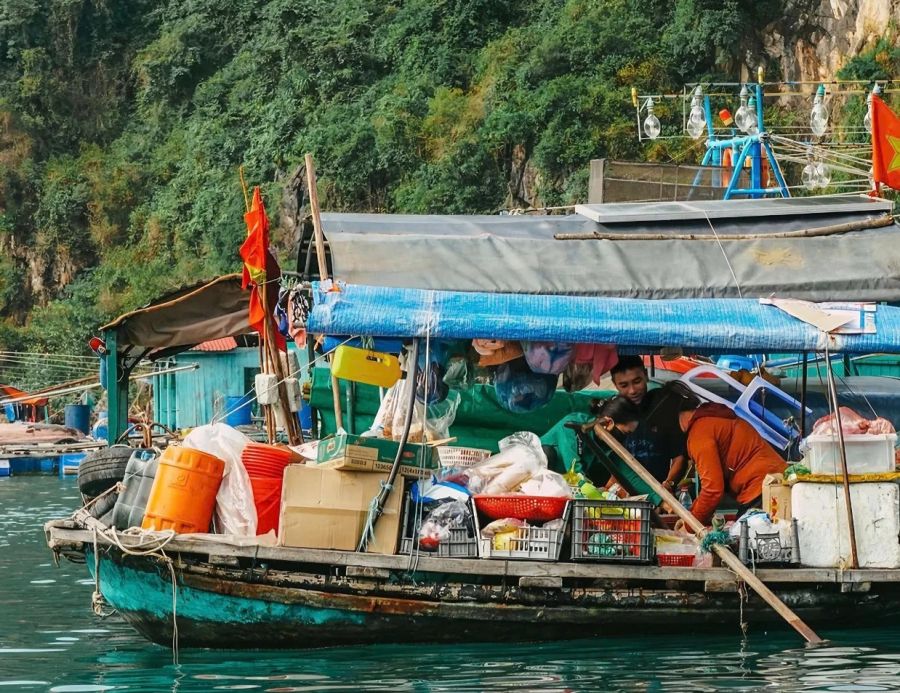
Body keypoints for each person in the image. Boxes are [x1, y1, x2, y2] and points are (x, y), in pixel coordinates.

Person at [653, 381, 787, 526]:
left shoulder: (699, 434)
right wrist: (692, 517)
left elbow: (712, 490)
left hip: (761, 490)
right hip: (773, 483)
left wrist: (690, 526)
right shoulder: (710, 417)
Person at [608, 355, 685, 492]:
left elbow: (679, 457)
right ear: (614, 384)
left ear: (646, 375)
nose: (632, 391)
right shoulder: (611, 415)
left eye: (637, 381)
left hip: (662, 492)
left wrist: (668, 485)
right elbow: (611, 463)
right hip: (623, 494)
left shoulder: (663, 407)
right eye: (624, 385)